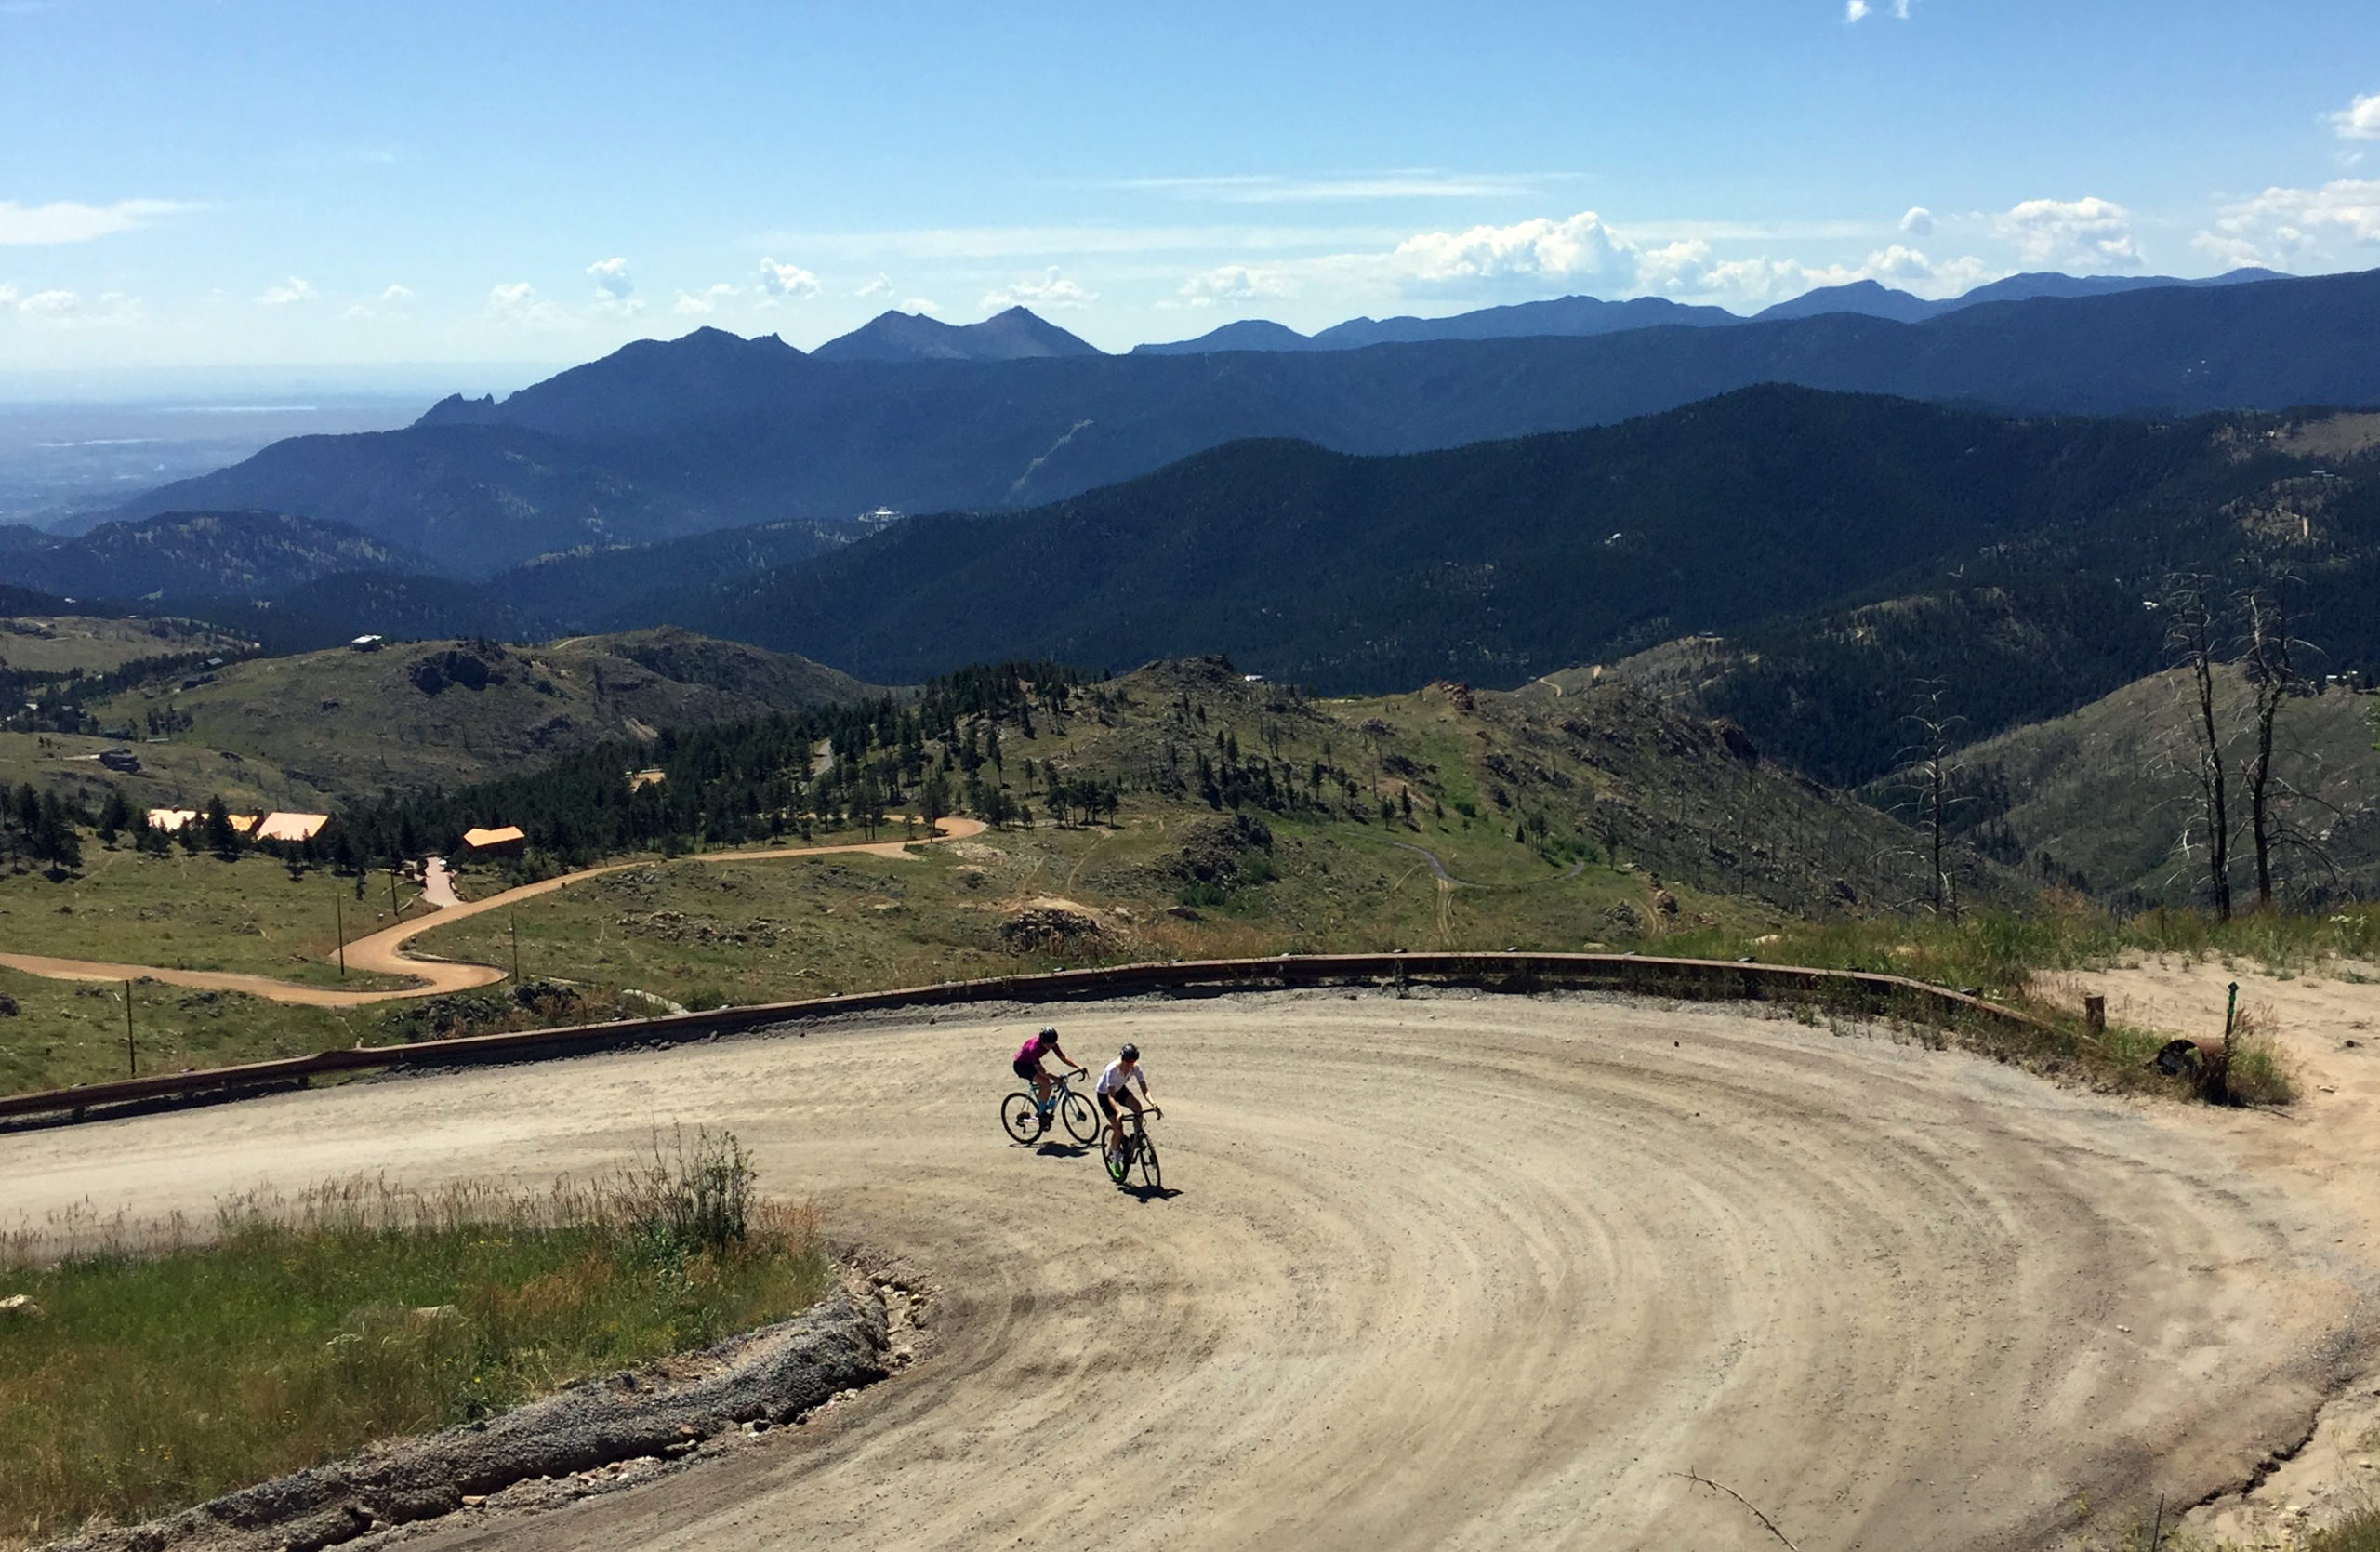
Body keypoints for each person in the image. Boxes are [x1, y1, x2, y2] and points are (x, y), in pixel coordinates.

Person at [1096, 1043, 1158, 1161]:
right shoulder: (1112, 1069)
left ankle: (1135, 1139)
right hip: (1105, 1095)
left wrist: (1153, 1104)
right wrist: (1118, 1112)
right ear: (1122, 1058)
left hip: (1120, 1089)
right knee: (1118, 1128)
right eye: (1127, 1061)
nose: (1130, 1065)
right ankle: (1114, 1157)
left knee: (1138, 1108)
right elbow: (1111, 1096)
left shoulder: (1135, 1068)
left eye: (1133, 1061)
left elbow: (1145, 1090)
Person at [1012, 1026, 1083, 1127]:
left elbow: (1063, 1058)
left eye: (1053, 1043)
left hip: (1031, 1063)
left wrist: (1078, 1067)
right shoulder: (1034, 1048)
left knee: (1047, 1085)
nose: (1051, 1046)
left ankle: (1043, 1107)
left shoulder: (1051, 1043)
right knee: (1045, 1082)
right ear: (1042, 1041)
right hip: (1021, 1065)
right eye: (1048, 1044)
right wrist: (1056, 1078)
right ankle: (1041, 1114)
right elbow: (1041, 1071)